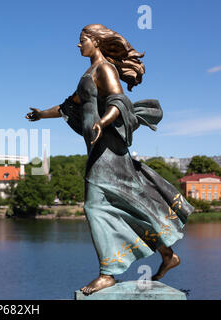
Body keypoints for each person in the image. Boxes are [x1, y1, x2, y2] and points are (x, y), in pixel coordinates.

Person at [25, 24, 194, 295]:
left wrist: (102, 123)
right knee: (126, 202)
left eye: (82, 41)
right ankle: (167, 254)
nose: (79, 45)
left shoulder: (105, 69)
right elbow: (68, 107)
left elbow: (120, 101)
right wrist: (41, 115)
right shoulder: (88, 74)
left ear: (96, 42)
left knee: (94, 206)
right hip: (97, 148)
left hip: (108, 148)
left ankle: (107, 274)